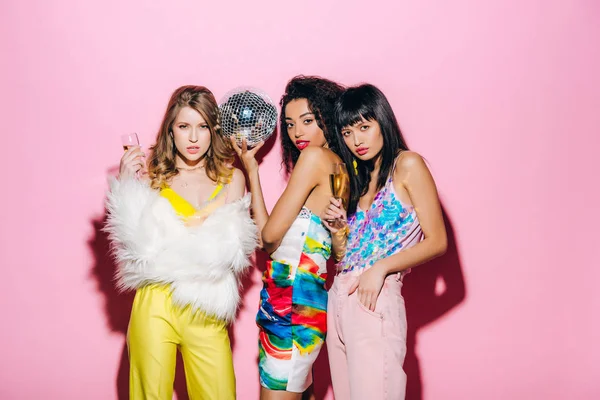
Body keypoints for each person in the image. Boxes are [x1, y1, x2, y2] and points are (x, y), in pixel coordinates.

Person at [104, 85, 257, 399]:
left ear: (213, 131)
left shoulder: (233, 179)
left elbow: (233, 250)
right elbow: (133, 244)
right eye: (184, 126)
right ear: (170, 131)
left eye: (202, 127)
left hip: (208, 306)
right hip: (156, 302)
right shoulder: (151, 179)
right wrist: (126, 189)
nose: (193, 137)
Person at [323, 84, 448, 400]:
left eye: (365, 127)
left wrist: (381, 269)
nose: (357, 140)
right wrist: (339, 228)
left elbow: (438, 241)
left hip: (374, 300)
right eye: (348, 132)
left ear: (383, 121)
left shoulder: (407, 165)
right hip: (338, 300)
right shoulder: (361, 183)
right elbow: (345, 256)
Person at [231, 76, 347, 399]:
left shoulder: (313, 161)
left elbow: (268, 237)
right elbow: (271, 236)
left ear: (326, 117)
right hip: (302, 305)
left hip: (290, 309)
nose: (298, 133)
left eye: (308, 121)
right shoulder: (339, 167)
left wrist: (251, 173)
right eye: (291, 124)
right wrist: (252, 170)